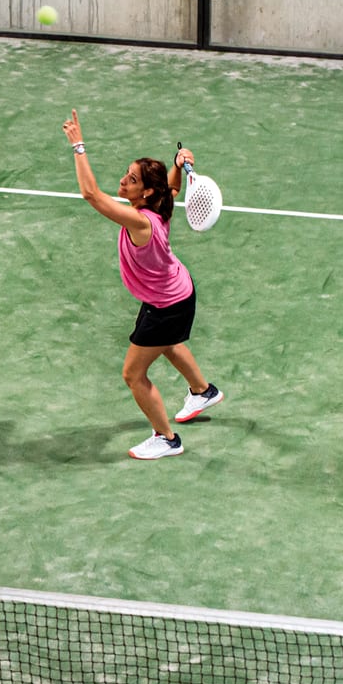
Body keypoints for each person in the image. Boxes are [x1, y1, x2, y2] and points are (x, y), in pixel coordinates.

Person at [61, 109, 223, 459]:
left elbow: (91, 194)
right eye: (127, 174)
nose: (123, 182)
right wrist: (177, 163)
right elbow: (172, 185)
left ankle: (167, 439)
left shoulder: (140, 222)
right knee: (165, 344)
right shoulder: (161, 203)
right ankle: (202, 390)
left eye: (131, 180)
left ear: (146, 192)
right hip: (176, 293)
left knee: (133, 374)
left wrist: (78, 145)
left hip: (167, 305)